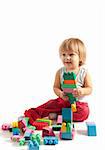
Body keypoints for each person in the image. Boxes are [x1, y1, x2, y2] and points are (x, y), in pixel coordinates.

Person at [24, 38, 92, 126]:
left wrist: (82, 91)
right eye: (63, 54)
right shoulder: (60, 72)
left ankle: (58, 115)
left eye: (71, 54)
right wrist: (60, 94)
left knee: (84, 112)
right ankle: (41, 113)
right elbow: (55, 87)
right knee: (49, 105)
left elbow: (90, 88)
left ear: (80, 57)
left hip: (78, 104)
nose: (67, 57)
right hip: (62, 101)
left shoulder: (84, 72)